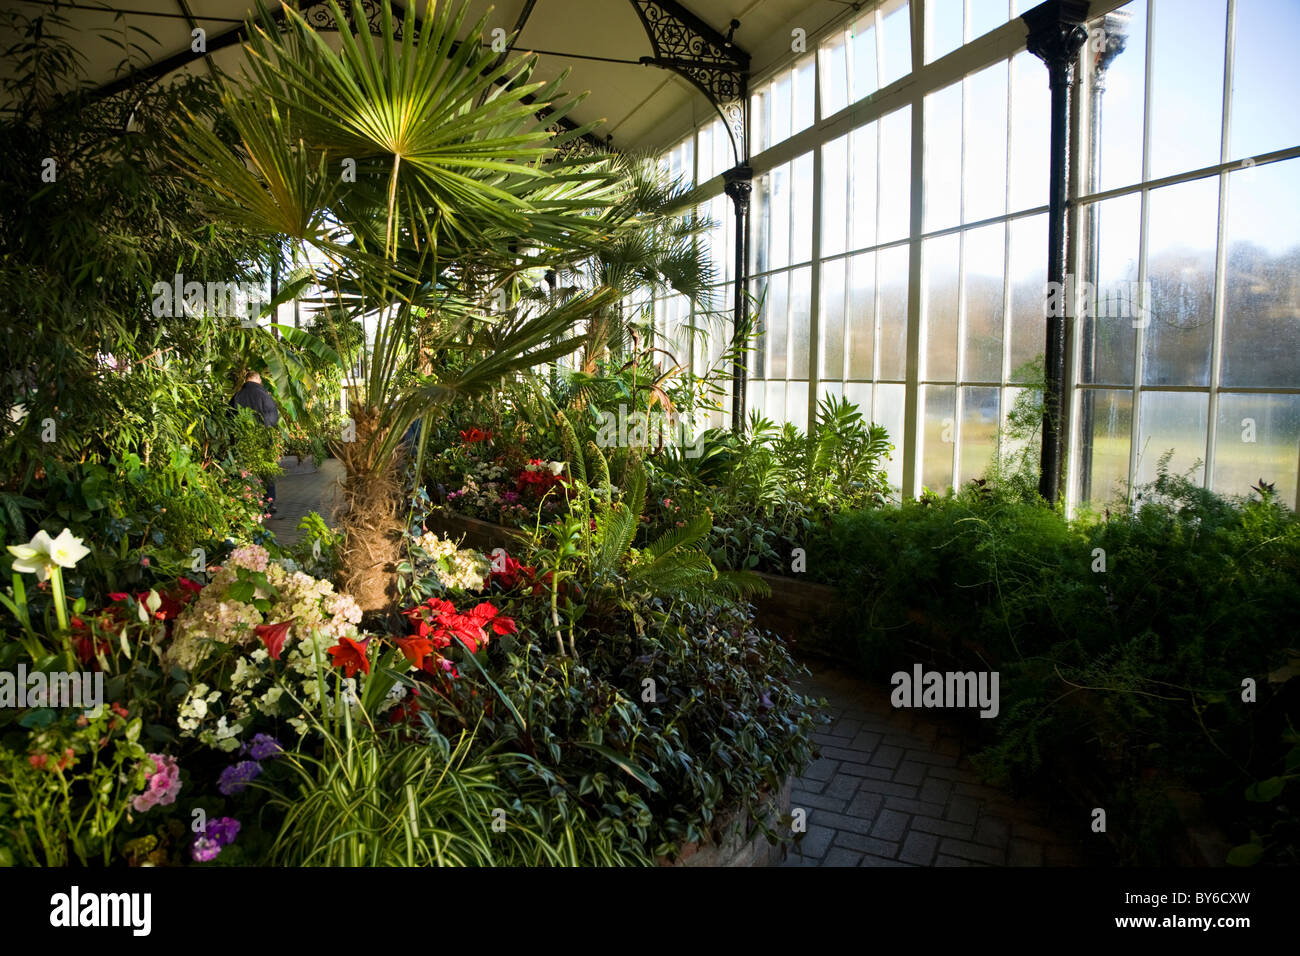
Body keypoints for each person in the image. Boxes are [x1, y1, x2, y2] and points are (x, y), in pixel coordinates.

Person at [230, 370, 281, 514]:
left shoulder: (237, 395)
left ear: (246, 380)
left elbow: (229, 416)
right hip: (263, 439)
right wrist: (262, 426)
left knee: (244, 470)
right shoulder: (265, 396)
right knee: (266, 471)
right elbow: (273, 418)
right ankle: (269, 502)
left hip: (242, 440)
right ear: (258, 380)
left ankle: (247, 501)